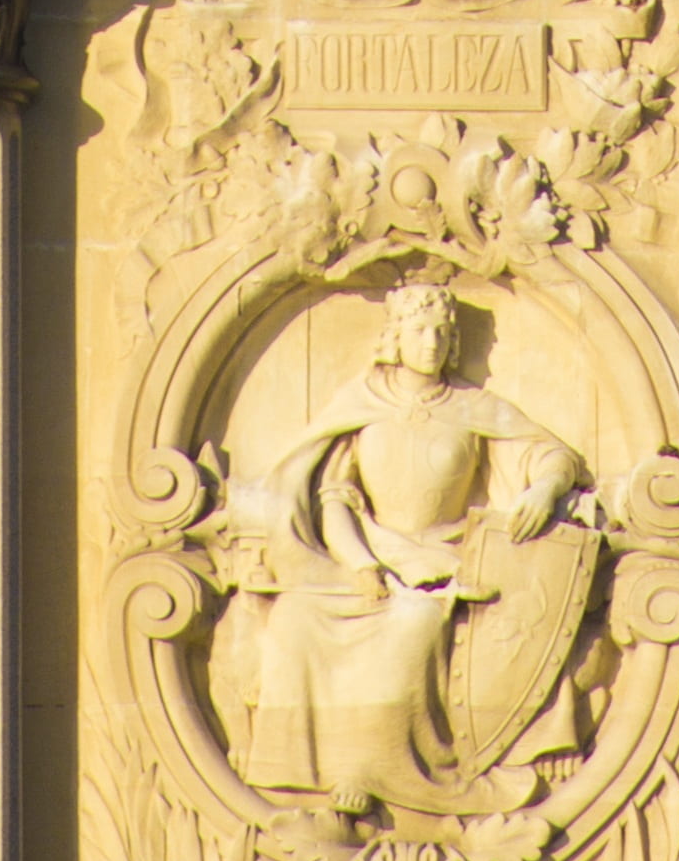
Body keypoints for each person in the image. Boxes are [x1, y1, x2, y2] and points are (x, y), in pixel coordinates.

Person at [228, 274, 598, 806]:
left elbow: (551, 455)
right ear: (395, 337)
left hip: (445, 558)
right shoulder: (360, 402)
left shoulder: (473, 408)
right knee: (294, 619)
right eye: (421, 330)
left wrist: (545, 488)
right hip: (369, 553)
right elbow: (335, 496)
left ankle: (375, 775)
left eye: (443, 333)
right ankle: (303, 771)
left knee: (414, 622)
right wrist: (360, 564)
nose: (433, 342)